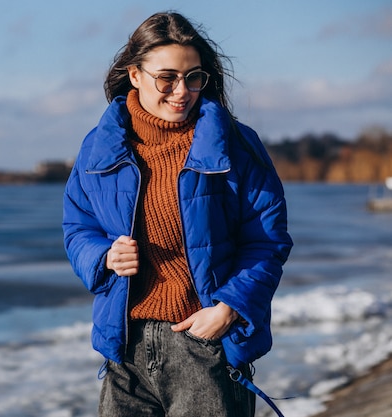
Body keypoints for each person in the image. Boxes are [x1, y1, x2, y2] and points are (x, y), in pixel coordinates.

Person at [62, 11, 293, 417]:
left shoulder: (236, 145)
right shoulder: (98, 147)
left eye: (193, 77)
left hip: (204, 346)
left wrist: (228, 309)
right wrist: (103, 256)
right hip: (125, 349)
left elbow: (266, 242)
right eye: (166, 78)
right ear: (135, 75)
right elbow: (78, 226)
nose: (181, 91)